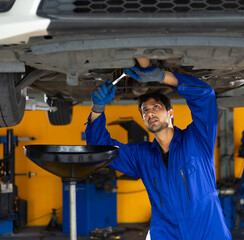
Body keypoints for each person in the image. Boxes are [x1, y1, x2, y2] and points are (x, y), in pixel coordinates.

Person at [85, 59, 232, 240]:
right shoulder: (142, 156)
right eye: (144, 111)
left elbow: (204, 96)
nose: (150, 113)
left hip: (208, 232)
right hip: (166, 234)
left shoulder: (198, 139)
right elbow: (100, 149)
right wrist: (97, 109)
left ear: (170, 113)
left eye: (156, 107)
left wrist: (163, 77)